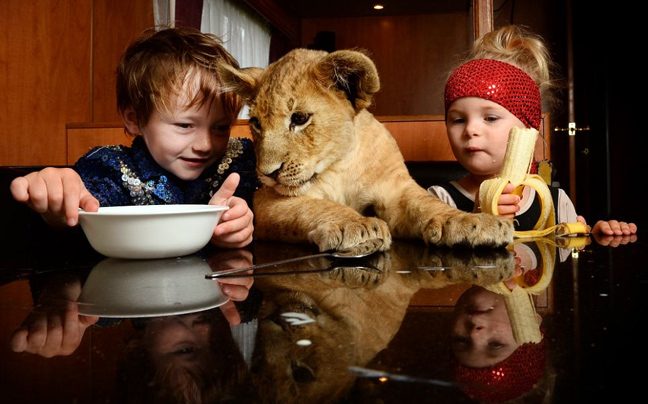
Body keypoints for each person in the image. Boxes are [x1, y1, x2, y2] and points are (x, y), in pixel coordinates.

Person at [10, 27, 259, 249]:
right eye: (184, 125)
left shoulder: (242, 160)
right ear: (134, 119)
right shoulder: (109, 168)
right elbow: (78, 214)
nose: (205, 145)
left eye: (220, 128)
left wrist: (240, 224)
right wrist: (57, 208)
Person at [428, 25, 637, 237]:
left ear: (528, 128)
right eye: (458, 120)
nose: (470, 129)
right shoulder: (437, 200)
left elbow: (568, 256)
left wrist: (595, 236)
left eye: (490, 118)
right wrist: (477, 220)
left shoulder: (557, 203)